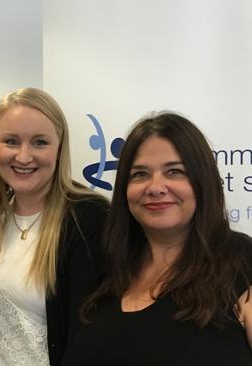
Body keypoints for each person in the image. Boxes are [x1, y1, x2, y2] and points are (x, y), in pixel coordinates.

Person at [63, 112, 252, 365]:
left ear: (202, 181)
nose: (155, 187)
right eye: (140, 174)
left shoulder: (241, 262)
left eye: (174, 171)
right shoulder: (107, 268)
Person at [0, 87, 109, 366]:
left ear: (59, 148)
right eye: (11, 141)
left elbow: (91, 336)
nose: (24, 157)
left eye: (39, 142)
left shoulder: (87, 217)